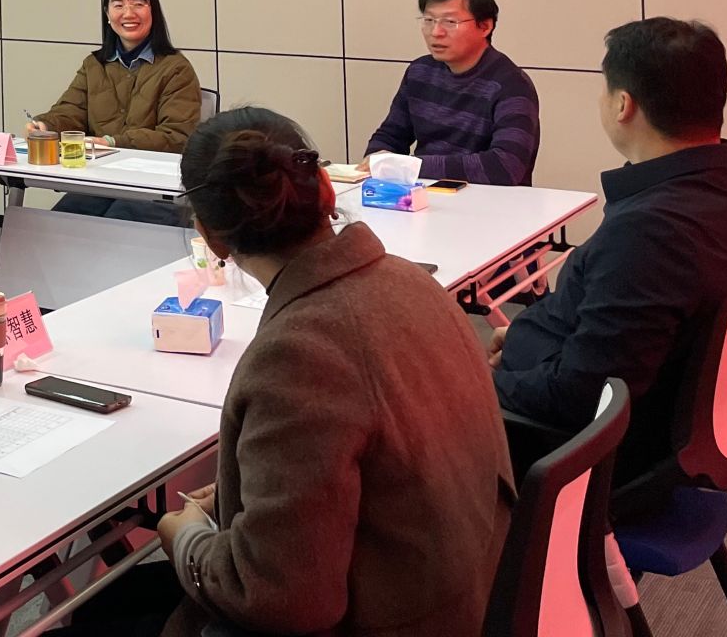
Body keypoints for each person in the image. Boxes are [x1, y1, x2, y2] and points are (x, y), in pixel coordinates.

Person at [73, 109, 514, 637]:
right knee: (114, 603)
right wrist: (245, 492)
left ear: (209, 236)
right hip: (466, 589)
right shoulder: (413, 283)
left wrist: (186, 540)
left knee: (95, 614)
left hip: (393, 616)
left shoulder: (299, 356)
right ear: (325, 191)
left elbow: (284, 600)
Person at [492, 17, 727, 510]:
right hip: (650, 417)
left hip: (590, 456)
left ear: (623, 105)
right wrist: (523, 339)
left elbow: (584, 397)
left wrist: (483, 382)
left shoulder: (650, 231)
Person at [34, 0, 203, 225]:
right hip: (101, 179)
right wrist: (46, 125)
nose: (128, 13)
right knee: (57, 224)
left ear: (153, 12)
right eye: (118, 5)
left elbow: (177, 136)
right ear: (107, 14)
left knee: (113, 226)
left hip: (156, 186)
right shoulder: (94, 64)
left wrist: (113, 142)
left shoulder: (176, 68)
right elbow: (71, 110)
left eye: (138, 4)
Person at [362, 0, 541, 184]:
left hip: (488, 199)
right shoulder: (420, 71)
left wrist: (411, 166)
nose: (436, 32)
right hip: (426, 193)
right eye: (429, 20)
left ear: (485, 26)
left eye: (450, 22)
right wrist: (376, 160)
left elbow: (505, 167)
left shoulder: (511, 84)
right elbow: (391, 135)